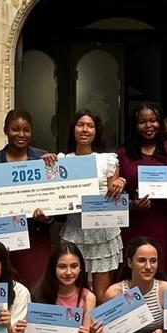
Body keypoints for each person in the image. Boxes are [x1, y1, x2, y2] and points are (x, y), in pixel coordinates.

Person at [117, 103, 167, 286]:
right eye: (142, 122)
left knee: (166, 277)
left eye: (153, 121)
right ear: (135, 125)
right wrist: (132, 205)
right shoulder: (122, 155)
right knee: (134, 274)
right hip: (134, 226)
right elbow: (112, 198)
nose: (149, 126)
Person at [54, 109, 126, 300]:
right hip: (74, 231)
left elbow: (114, 196)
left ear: (96, 131)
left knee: (102, 295)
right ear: (73, 129)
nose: (85, 129)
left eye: (90, 126)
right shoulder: (62, 161)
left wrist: (121, 182)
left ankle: (99, 330)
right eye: (80, 125)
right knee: (71, 293)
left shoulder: (107, 160)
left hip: (103, 232)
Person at [0, 109, 54, 287]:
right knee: (2, 290)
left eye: (26, 130)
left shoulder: (43, 159)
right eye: (15, 129)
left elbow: (56, 202)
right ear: (5, 130)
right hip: (3, 238)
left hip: (35, 238)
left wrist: (48, 217)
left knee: (37, 290)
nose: (21, 134)